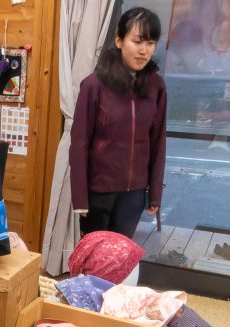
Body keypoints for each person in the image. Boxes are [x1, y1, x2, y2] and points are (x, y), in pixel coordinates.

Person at [69, 7, 167, 239]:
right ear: (119, 40)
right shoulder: (94, 85)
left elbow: (158, 142)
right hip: (98, 191)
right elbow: (80, 143)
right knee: (95, 258)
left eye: (150, 43)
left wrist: (154, 193)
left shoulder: (156, 86)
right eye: (137, 41)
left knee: (120, 259)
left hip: (133, 194)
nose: (144, 50)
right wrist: (80, 198)